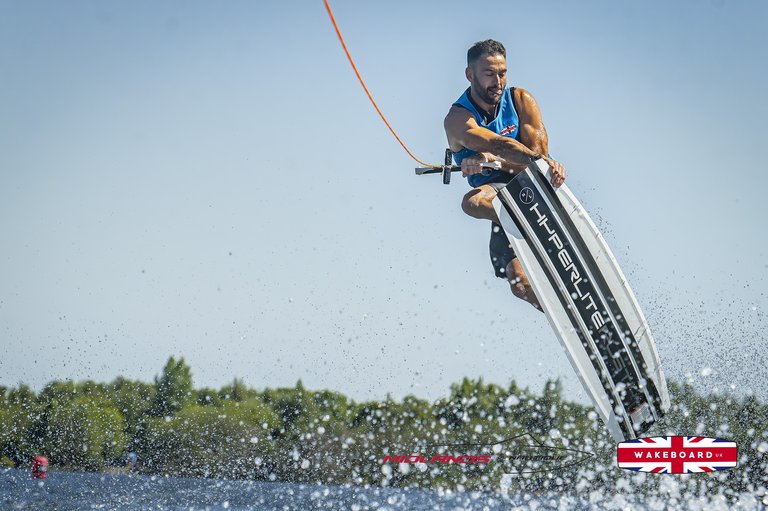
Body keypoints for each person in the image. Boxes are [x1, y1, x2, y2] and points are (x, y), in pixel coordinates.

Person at [443, 39, 566, 311]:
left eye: (502, 72)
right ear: (470, 75)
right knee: (519, 284)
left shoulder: (521, 101)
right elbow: (495, 142)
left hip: (532, 189)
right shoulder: (458, 119)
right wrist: (494, 158)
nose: (498, 81)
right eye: (489, 73)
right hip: (499, 197)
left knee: (481, 198)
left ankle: (531, 224)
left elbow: (536, 165)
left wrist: (493, 160)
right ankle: (565, 314)